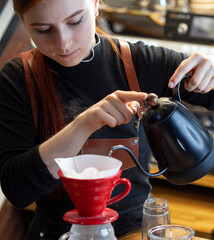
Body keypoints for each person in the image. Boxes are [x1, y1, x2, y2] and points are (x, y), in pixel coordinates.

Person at [0, 0, 214, 239]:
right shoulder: (17, 80)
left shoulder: (139, 62)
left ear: (95, 5)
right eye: (43, 29)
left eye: (75, 21)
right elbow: (17, 191)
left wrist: (210, 71)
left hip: (137, 231)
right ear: (23, 22)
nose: (63, 42)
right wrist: (84, 124)